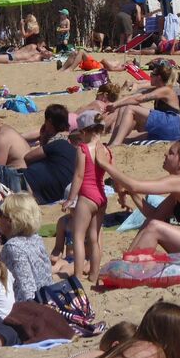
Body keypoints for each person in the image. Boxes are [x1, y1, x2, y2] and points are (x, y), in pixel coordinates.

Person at [97, 141, 180, 268]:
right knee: (153, 223)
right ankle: (127, 263)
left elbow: (135, 185)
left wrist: (105, 164)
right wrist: (132, 194)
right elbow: (153, 215)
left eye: (171, 153)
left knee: (155, 227)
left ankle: (128, 266)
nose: (165, 155)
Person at [64, 111, 112, 284]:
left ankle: (77, 275)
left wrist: (70, 199)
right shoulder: (106, 149)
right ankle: (93, 275)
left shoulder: (83, 149)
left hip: (87, 195)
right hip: (101, 194)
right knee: (95, 238)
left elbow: (78, 176)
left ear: (84, 132)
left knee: (78, 235)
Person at [106, 62, 180, 145]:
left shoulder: (166, 90)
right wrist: (115, 104)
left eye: (152, 74)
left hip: (170, 125)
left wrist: (116, 105)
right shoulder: (158, 89)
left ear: (158, 77)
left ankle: (115, 143)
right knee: (123, 108)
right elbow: (135, 96)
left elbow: (139, 99)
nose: (150, 76)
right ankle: (112, 142)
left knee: (130, 108)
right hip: (162, 126)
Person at [0, 192, 55, 302]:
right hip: (48, 299)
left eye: (1, 214)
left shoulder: (13, 247)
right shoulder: (36, 238)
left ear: (10, 220)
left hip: (28, 309)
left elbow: (27, 290)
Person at [22, 105, 78, 205]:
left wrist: (43, 139)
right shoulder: (67, 135)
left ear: (49, 122)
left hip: (51, 185)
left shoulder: (55, 140)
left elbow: (29, 158)